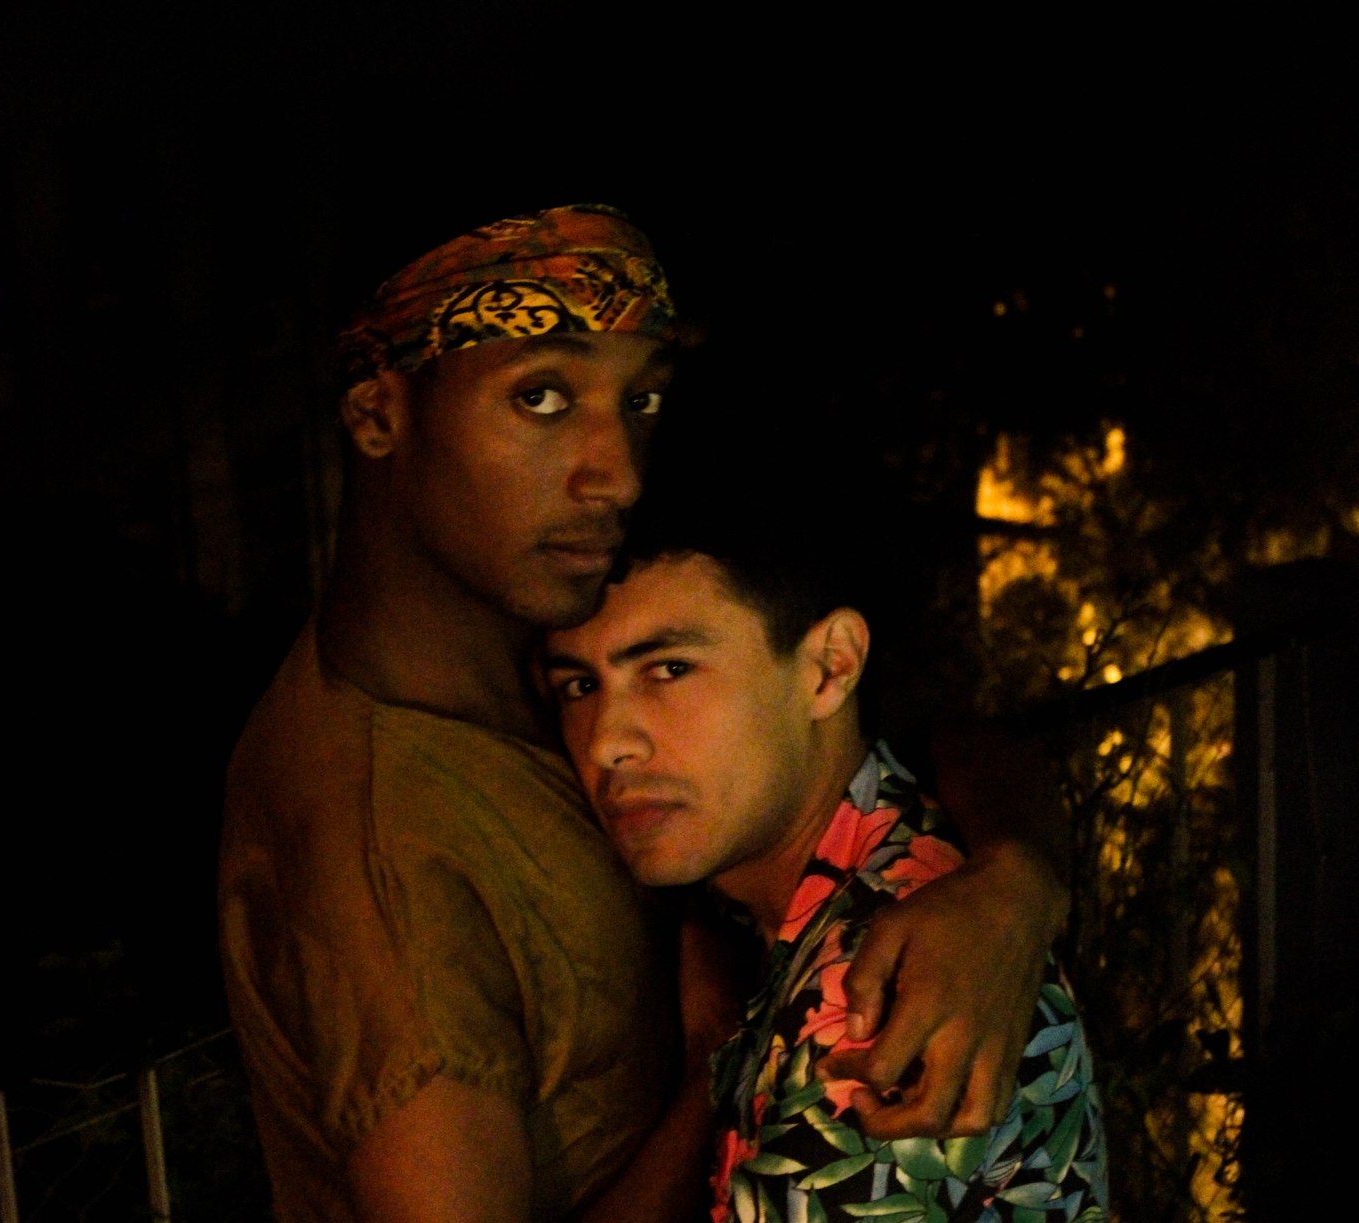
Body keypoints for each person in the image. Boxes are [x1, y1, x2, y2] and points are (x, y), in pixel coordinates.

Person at [218, 203, 1070, 1222]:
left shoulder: (546, 616)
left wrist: (1014, 882)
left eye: (640, 400)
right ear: (376, 415)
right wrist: (715, 1068)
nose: (616, 471)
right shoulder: (379, 849)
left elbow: (931, 730)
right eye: (539, 395)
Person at [542, 493, 1109, 1222]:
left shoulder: (877, 1004)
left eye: (669, 669)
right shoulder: (784, 903)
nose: (605, 743)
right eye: (580, 685)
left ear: (829, 668)